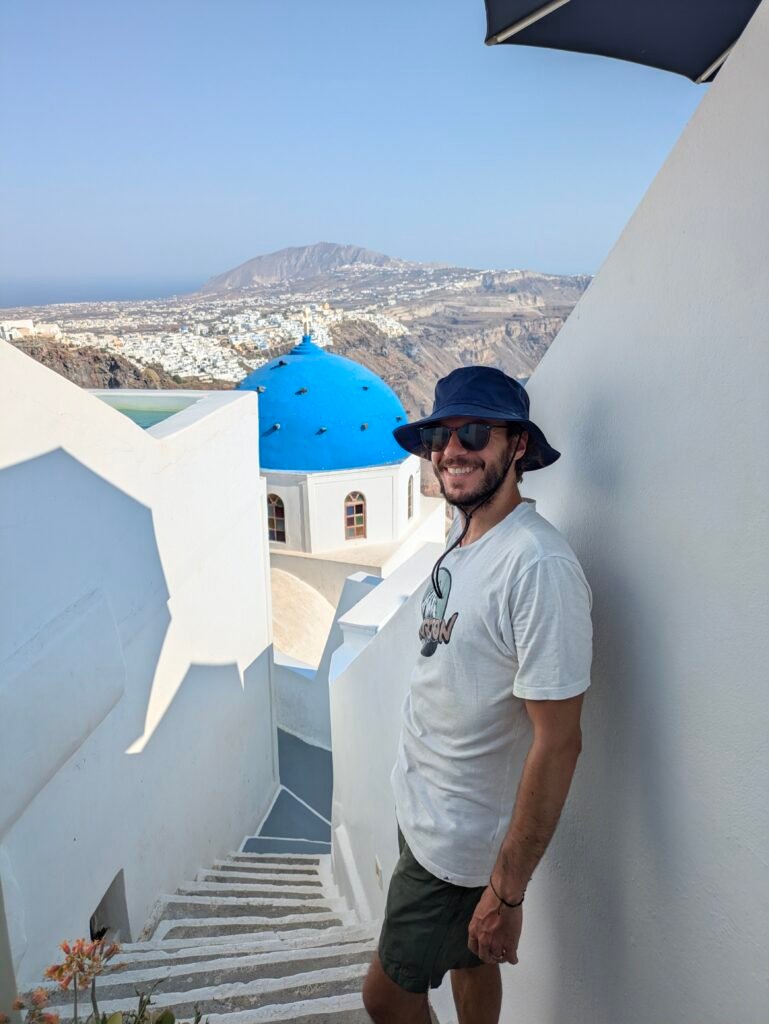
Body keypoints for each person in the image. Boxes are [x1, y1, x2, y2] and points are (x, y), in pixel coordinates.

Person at [361, 366, 593, 1024]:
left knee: (385, 997)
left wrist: (506, 892)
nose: (451, 450)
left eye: (472, 432)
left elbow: (559, 741)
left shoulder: (537, 567)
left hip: (457, 850)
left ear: (516, 446)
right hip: (428, 815)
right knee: (470, 963)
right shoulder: (469, 539)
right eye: (440, 435)